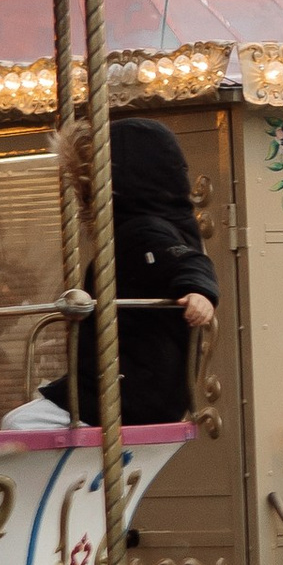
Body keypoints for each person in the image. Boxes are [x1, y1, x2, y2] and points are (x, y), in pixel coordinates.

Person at [56, 112, 218, 427]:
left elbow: (188, 261)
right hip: (134, 382)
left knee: (19, 424)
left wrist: (200, 291)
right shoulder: (159, 224)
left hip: (129, 388)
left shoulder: (144, 232)